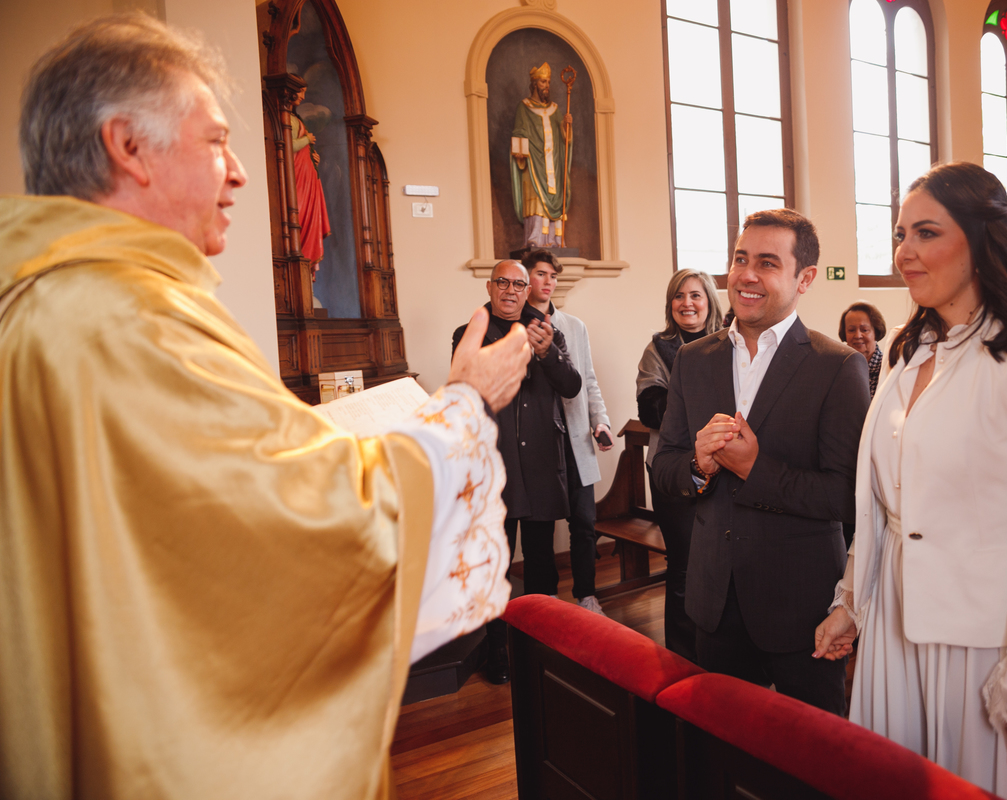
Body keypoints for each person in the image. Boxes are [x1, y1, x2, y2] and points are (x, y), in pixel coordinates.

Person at [1, 16, 530, 799]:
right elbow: (293, 533)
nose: (243, 171)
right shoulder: (127, 321)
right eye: (216, 140)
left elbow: (210, 489)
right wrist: (460, 407)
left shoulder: (53, 300)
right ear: (128, 147)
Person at [814, 162, 1007, 799]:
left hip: (987, 639)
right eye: (899, 234)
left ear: (981, 239)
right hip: (893, 623)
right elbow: (886, 505)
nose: (904, 253)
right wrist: (850, 600)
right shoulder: (906, 351)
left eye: (926, 233)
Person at [654, 210, 870, 714]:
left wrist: (756, 469)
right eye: (740, 259)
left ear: (805, 278)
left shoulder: (836, 366)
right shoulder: (694, 359)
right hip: (713, 600)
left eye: (768, 263)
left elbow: (847, 496)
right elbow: (663, 468)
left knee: (812, 761)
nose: (747, 275)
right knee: (721, 752)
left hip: (800, 607)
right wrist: (698, 465)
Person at [452, 259, 581, 683]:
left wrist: (547, 354)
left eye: (519, 284)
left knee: (543, 562)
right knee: (496, 563)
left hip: (541, 462)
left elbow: (572, 385)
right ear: (489, 287)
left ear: (529, 290)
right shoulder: (468, 333)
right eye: (502, 282)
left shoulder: (547, 330)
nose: (510, 290)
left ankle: (545, 647)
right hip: (496, 464)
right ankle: (499, 653)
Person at [636, 268, 724, 660]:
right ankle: (683, 656)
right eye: (679, 296)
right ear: (671, 305)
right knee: (686, 567)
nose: (687, 303)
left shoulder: (734, 341)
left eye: (696, 295)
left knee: (724, 562)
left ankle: (721, 650)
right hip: (675, 470)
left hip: (727, 468)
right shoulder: (658, 350)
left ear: (710, 302)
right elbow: (650, 409)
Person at [522, 249, 614, 616]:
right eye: (541, 274)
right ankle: (546, 607)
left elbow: (588, 380)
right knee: (539, 533)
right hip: (540, 444)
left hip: (575, 437)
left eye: (553, 276)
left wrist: (600, 421)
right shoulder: (516, 326)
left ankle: (587, 596)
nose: (548, 282)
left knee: (584, 524)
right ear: (524, 278)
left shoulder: (574, 327)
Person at [510, 62, 572, 248]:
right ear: (535, 83)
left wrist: (566, 126)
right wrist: (520, 152)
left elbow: (564, 140)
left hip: (553, 163)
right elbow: (519, 131)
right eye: (543, 82)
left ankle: (554, 240)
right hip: (533, 162)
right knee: (536, 197)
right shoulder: (524, 107)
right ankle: (535, 238)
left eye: (548, 82)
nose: (546, 86)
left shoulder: (555, 109)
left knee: (555, 197)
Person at [287, 77, 331, 275]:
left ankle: (305, 264)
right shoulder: (288, 120)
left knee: (307, 217)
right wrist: (307, 139)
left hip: (307, 175)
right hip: (297, 177)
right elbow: (287, 146)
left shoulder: (296, 119)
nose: (304, 96)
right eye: (301, 91)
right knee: (299, 215)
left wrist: (313, 160)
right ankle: (301, 261)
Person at [838, 301, 887, 397]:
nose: (858, 335)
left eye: (864, 330)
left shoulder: (888, 368)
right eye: (851, 330)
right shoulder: (838, 369)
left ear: (876, 332)